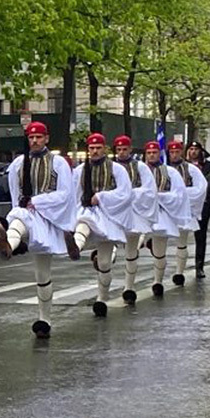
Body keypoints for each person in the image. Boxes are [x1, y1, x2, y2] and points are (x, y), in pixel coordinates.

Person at [0, 121, 76, 338]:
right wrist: (24, 205)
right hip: (27, 214)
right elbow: (15, 193)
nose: (34, 141)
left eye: (38, 137)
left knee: (42, 273)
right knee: (18, 218)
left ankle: (44, 319)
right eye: (31, 137)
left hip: (49, 218)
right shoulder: (18, 163)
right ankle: (8, 245)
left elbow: (65, 194)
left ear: (46, 138)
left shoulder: (58, 163)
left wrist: (37, 201)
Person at [69, 133, 133, 318]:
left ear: (104, 149)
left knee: (104, 263)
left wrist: (102, 197)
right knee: (83, 223)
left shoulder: (117, 169)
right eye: (91, 148)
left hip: (108, 215)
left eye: (98, 148)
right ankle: (76, 247)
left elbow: (125, 193)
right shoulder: (80, 170)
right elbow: (74, 194)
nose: (94, 151)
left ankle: (102, 298)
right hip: (87, 211)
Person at [112, 135, 156, 305]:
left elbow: (149, 190)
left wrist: (130, 194)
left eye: (124, 149)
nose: (122, 153)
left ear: (130, 149)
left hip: (133, 212)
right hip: (114, 212)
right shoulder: (111, 167)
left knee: (131, 252)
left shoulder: (140, 167)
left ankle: (129, 288)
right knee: (108, 243)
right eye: (118, 150)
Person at [141, 142, 189, 298]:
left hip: (161, 215)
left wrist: (159, 197)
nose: (152, 155)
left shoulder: (169, 172)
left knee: (159, 251)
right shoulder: (139, 171)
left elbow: (178, 194)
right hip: (141, 214)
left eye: (154, 152)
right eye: (149, 152)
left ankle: (157, 281)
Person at [166, 141, 207, 287]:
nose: (174, 155)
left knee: (181, 242)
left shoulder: (191, 169)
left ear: (182, 152)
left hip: (184, 210)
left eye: (177, 152)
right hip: (166, 210)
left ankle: (179, 272)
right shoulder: (163, 169)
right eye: (172, 152)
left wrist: (181, 196)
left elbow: (200, 189)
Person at [187, 141, 210, 279]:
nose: (193, 152)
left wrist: (205, 190)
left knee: (200, 236)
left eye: (196, 149)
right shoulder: (183, 166)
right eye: (191, 149)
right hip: (184, 205)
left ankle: (199, 266)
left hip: (203, 205)